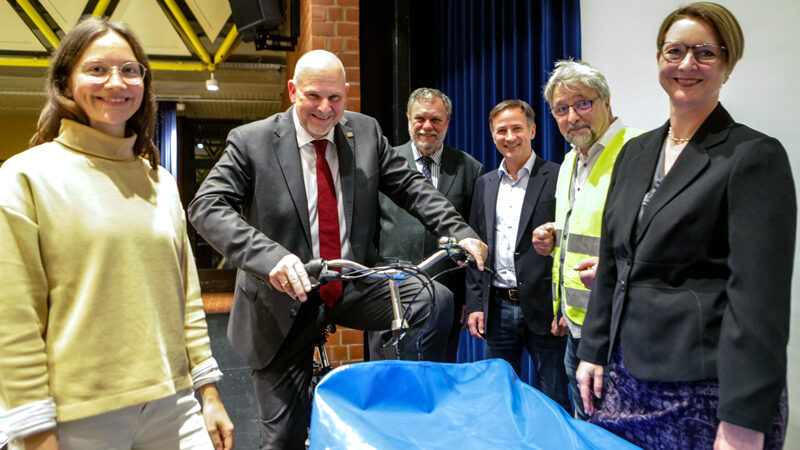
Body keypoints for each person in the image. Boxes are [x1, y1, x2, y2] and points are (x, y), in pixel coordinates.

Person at [187, 50, 487, 449]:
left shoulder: (362, 133)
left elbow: (412, 188)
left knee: (432, 299)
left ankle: (404, 406)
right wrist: (271, 257)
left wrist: (459, 230)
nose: (325, 109)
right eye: (313, 96)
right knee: (282, 439)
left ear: (346, 94)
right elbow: (207, 206)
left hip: (348, 284)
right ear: (293, 91)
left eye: (335, 98)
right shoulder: (253, 141)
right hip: (280, 300)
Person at [0, 17, 233, 450]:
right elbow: (13, 319)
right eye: (97, 69)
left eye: (129, 70)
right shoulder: (25, 176)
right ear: (65, 82)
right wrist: (33, 431)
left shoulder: (160, 181)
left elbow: (184, 297)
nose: (116, 82)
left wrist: (209, 392)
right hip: (76, 418)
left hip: (173, 405)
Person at [575, 3, 794, 449]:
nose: (687, 64)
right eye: (674, 51)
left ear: (727, 65)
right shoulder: (634, 153)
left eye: (705, 53)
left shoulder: (753, 155)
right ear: (659, 59)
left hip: (704, 389)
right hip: (622, 380)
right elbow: (615, 263)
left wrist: (742, 419)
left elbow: (758, 299)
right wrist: (592, 351)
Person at [532, 60, 642, 419]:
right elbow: (586, 227)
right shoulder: (568, 162)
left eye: (582, 103)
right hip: (577, 326)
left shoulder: (639, 151)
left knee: (615, 434)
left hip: (620, 330)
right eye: (561, 109)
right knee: (586, 428)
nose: (572, 116)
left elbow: (657, 236)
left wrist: (617, 269)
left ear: (606, 102)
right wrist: (552, 236)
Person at [465, 100, 570, 412]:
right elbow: (475, 246)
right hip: (497, 308)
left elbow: (569, 243)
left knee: (555, 397)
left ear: (532, 130)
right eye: (501, 130)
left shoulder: (558, 176)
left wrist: (564, 306)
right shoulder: (484, 183)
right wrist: (475, 305)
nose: (509, 136)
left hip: (545, 308)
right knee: (497, 398)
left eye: (516, 128)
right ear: (492, 135)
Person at [371, 87, 483, 362]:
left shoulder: (470, 169)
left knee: (437, 378)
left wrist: (468, 297)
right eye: (420, 119)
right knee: (388, 378)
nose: (427, 127)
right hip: (389, 293)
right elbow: (369, 231)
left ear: (447, 122)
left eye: (436, 120)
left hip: (445, 299)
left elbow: (474, 236)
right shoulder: (383, 164)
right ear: (408, 120)